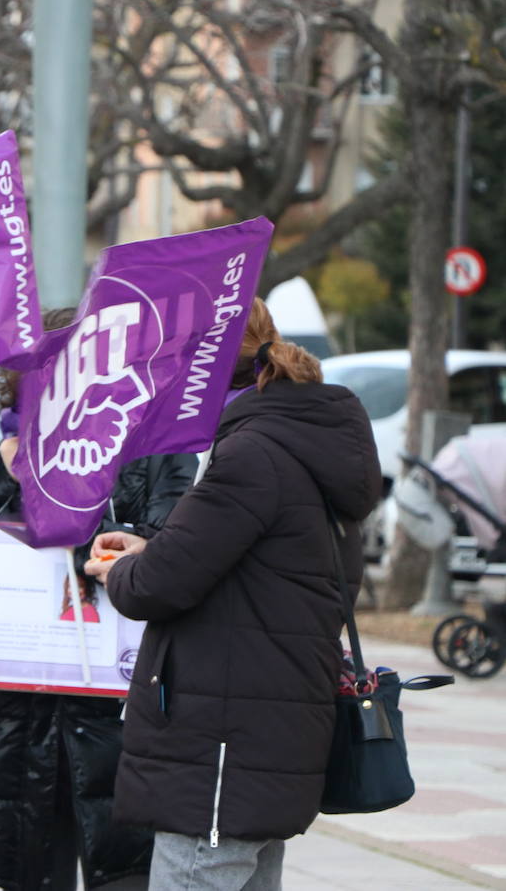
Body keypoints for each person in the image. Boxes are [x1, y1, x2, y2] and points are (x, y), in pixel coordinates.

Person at [84, 298, 381, 891]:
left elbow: (157, 588)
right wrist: (152, 546)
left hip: (221, 741)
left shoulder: (251, 453)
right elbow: (271, 565)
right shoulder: (306, 443)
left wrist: (114, 571)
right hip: (271, 725)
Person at [0, 308, 197, 891]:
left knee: (126, 875)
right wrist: (0, 466)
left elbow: (176, 552)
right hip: (15, 738)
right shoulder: (14, 453)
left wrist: (103, 539)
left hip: (119, 731)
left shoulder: (157, 450)